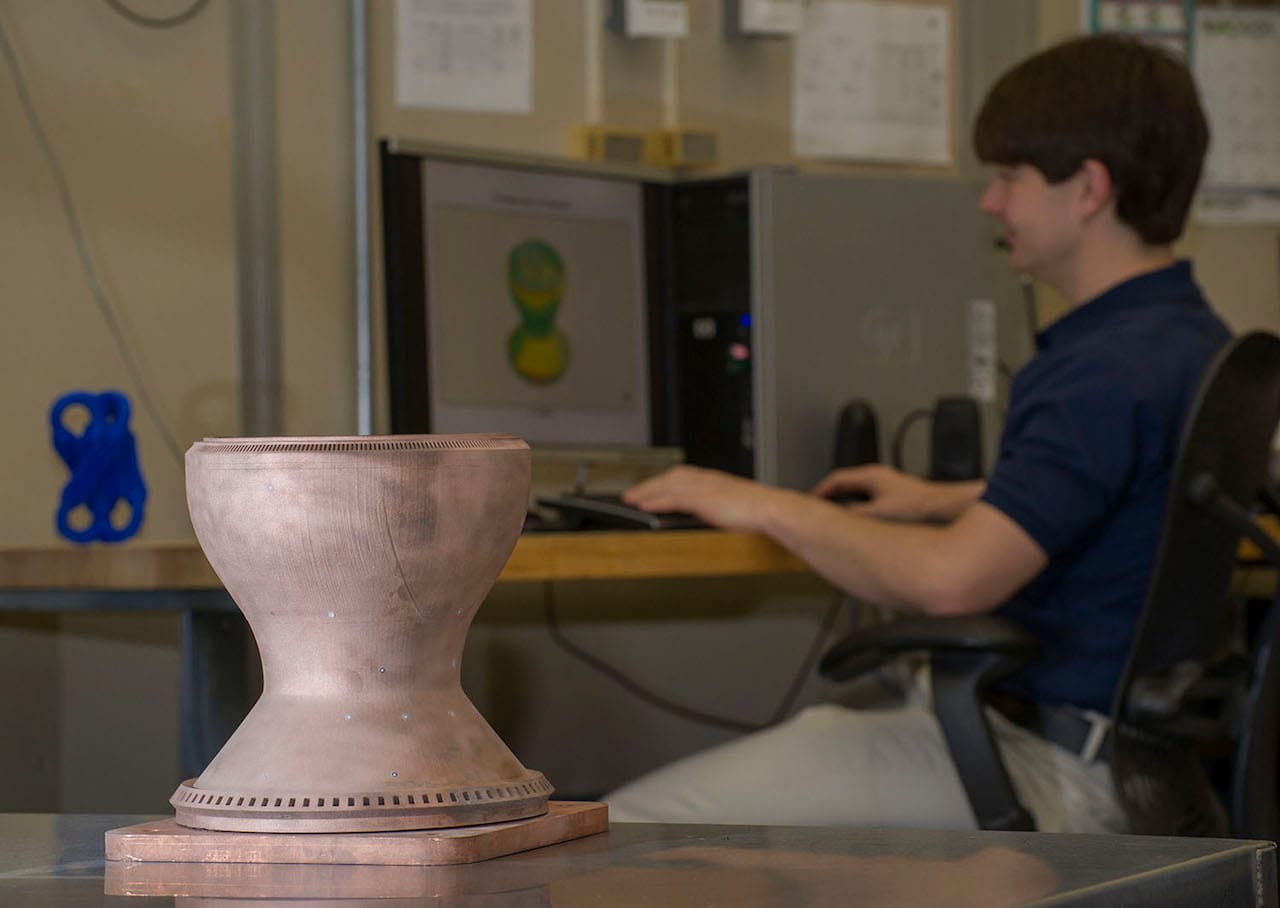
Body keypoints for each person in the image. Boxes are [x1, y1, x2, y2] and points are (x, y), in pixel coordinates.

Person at [604, 34, 1231, 833]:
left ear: (1089, 189)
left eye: (1010, 177)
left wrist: (763, 505)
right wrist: (950, 497)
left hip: (1048, 769)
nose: (991, 203)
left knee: (627, 829)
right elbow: (1139, 491)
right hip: (1134, 770)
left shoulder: (1099, 371)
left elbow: (951, 584)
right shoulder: (1186, 337)